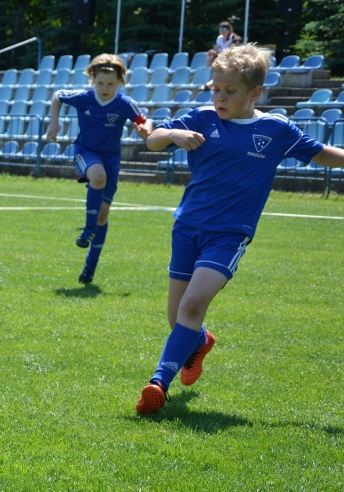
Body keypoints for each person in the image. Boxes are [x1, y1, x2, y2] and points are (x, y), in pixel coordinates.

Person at [136, 44, 344, 415]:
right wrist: (172, 136)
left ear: (255, 93)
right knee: (178, 319)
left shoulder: (276, 129)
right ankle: (200, 341)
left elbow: (321, 154)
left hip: (229, 234)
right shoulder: (201, 118)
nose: (220, 97)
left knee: (193, 304)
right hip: (187, 229)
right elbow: (151, 140)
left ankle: (157, 384)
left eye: (229, 91)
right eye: (216, 89)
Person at [46, 53, 152, 285]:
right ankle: (87, 230)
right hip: (85, 152)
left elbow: (144, 121)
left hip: (111, 160)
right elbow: (57, 96)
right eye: (101, 83)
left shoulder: (123, 103)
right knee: (97, 175)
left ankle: (89, 267)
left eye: (110, 84)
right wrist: (54, 122)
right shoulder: (84, 97)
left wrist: (145, 130)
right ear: (92, 80)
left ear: (120, 83)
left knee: (103, 214)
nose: (105, 88)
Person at [200, 21, 242, 90]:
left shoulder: (236, 39)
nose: (222, 31)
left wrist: (219, 54)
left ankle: (210, 84)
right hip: (223, 58)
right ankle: (213, 79)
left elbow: (235, 53)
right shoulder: (219, 38)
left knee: (223, 66)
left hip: (233, 60)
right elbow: (216, 50)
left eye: (224, 29)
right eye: (220, 29)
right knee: (210, 58)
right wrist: (213, 52)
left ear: (229, 30)